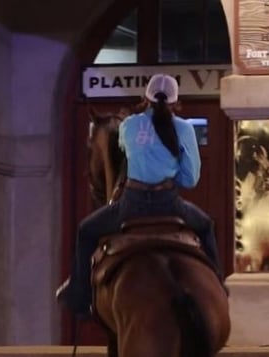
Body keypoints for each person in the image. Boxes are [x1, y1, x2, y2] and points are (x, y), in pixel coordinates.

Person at [57, 73, 225, 318]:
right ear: (175, 102)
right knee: (206, 226)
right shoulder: (184, 128)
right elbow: (190, 179)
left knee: (86, 230)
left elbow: (128, 152)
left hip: (131, 204)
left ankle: (79, 295)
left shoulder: (130, 125)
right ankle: (218, 287)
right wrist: (168, 171)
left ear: (145, 98)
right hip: (169, 204)